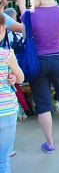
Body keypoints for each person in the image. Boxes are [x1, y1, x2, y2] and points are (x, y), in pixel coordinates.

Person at [21, 0, 59, 153]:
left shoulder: (28, 15)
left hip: (37, 61)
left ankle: (50, 143)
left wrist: (22, 8)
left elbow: (25, 37)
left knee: (43, 103)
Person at [0, 13, 24, 173]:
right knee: (3, 161)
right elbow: (21, 78)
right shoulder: (6, 54)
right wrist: (13, 77)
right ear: (2, 29)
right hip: (5, 110)